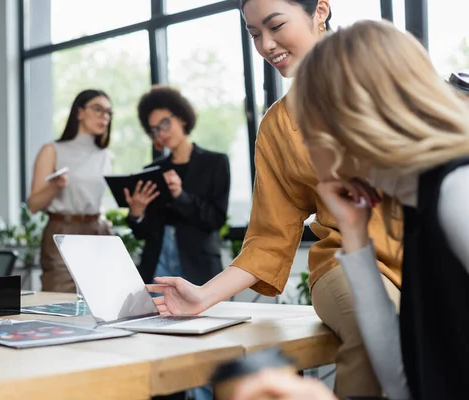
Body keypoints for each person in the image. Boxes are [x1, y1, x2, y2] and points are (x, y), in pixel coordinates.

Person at [146, 1, 402, 398]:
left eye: (275, 25)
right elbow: (269, 236)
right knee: (379, 329)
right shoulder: (277, 126)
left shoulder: (392, 78)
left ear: (320, 11)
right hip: (345, 261)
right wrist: (203, 296)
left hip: (421, 253)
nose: (266, 45)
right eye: (253, 34)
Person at [290, 20, 469, 399]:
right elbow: (405, 382)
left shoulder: (457, 193)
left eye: (307, 120)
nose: (303, 138)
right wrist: (354, 233)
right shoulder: (421, 203)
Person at [125, 85, 231, 287]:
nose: (161, 133)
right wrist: (137, 214)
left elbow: (215, 219)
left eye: (165, 123)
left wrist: (180, 195)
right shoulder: (153, 170)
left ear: (182, 117)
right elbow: (144, 233)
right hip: (156, 266)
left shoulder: (215, 163)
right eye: (154, 130)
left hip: (198, 267)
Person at [28, 89, 114, 293]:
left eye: (109, 112)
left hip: (98, 232)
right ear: (79, 112)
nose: (104, 116)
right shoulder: (52, 150)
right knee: (59, 300)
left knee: (101, 300)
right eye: (98, 109)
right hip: (63, 231)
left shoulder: (107, 156)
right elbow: (33, 205)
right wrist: (55, 185)